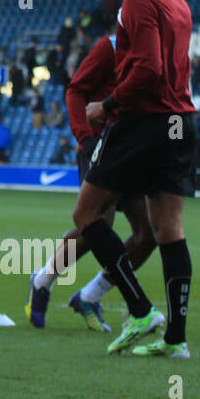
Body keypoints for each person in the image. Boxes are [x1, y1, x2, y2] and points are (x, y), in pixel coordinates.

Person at [75, 0, 196, 358]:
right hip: (181, 121)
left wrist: (105, 106)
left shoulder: (138, 1)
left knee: (87, 214)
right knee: (169, 229)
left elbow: (147, 70)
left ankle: (140, 310)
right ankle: (176, 339)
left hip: (143, 121)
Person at [26, 32, 155, 331]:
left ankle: (89, 295)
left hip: (133, 149)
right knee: (97, 225)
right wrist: (85, 138)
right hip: (100, 144)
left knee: (148, 234)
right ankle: (43, 280)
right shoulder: (108, 47)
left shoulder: (155, 50)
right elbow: (76, 90)